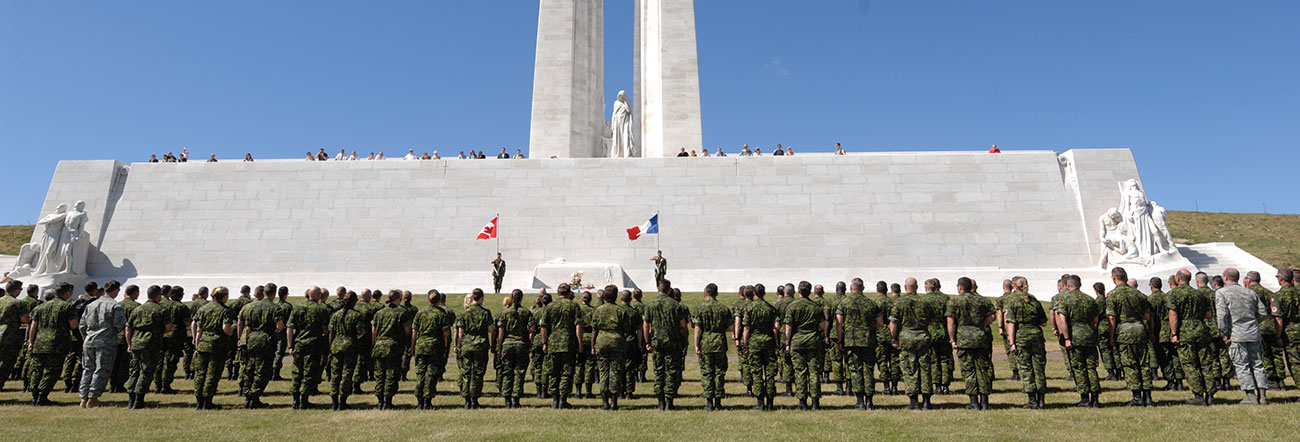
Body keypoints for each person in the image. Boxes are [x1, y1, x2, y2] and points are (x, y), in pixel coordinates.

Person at [1215, 268, 1271, 404]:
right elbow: (1263, 313)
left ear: (1226, 278)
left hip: (1236, 334)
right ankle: (1262, 395)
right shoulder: (1250, 292)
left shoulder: (1221, 293)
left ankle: (1250, 396)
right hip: (1253, 333)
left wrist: (1224, 333)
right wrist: (1252, 323)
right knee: (1258, 364)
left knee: (1242, 365)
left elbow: (1222, 316)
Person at [1107, 266, 1156, 406]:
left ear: (1114, 278)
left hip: (1124, 331)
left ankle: (1136, 397)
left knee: (1130, 364)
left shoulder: (1113, 295)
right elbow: (1147, 316)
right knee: (1143, 363)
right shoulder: (1138, 294)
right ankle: (1148, 396)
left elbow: (1111, 318)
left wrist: (1112, 337)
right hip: (1140, 330)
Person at [1166, 270, 1216, 405]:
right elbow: (1209, 315)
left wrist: (1174, 333)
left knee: (1189, 364)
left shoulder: (1174, 294)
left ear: (1177, 279)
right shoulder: (1199, 294)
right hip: (1201, 329)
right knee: (1205, 363)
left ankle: (1198, 395)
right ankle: (1210, 394)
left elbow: (1173, 314)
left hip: (1185, 331)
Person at [946, 277, 995, 410]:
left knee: (969, 371)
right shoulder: (983, 300)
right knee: (983, 370)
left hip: (964, 339)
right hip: (981, 337)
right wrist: (980, 324)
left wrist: (952, 340)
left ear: (960, 287)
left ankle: (973, 402)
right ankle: (984, 402)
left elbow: (950, 322)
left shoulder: (955, 301)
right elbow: (992, 317)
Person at [1055, 275, 1102, 408]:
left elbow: (1062, 320)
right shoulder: (1090, 300)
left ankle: (1084, 398)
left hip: (1075, 338)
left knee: (1079, 368)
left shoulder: (1065, 299)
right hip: (1089, 336)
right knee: (1091, 368)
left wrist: (1067, 338)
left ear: (1068, 286)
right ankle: (1095, 398)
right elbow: (1095, 320)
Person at [77, 280, 126, 408]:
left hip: (89, 340)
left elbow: (82, 325)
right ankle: (93, 398)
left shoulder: (90, 305)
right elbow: (119, 324)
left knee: (87, 369)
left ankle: (83, 397)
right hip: (106, 342)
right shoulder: (116, 306)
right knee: (101, 369)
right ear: (116, 290)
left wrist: (85, 338)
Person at [643, 278, 689, 410]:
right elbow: (683, 325)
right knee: (671, 371)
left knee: (659, 371)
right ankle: (669, 401)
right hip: (672, 341)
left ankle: (660, 401)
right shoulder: (676, 305)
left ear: (658, 289)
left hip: (657, 341)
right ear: (669, 290)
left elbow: (646, 325)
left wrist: (647, 341)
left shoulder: (651, 305)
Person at [837, 279, 883, 410]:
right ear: (863, 288)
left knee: (855, 370)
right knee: (868, 369)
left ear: (851, 288)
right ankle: (869, 401)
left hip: (851, 340)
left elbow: (839, 323)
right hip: (868, 340)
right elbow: (880, 323)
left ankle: (859, 401)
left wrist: (840, 340)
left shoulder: (844, 303)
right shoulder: (871, 303)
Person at [890, 278, 934, 410]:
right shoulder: (924, 302)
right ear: (917, 287)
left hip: (907, 337)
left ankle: (913, 400)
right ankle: (926, 401)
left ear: (905, 287)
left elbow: (893, 323)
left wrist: (893, 338)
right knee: (925, 368)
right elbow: (931, 322)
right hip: (922, 337)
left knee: (910, 369)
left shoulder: (899, 303)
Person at [783, 281, 827, 410]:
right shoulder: (816, 307)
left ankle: (802, 402)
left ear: (799, 291)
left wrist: (787, 343)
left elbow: (788, 327)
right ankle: (815, 402)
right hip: (813, 341)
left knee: (800, 372)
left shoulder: (792, 306)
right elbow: (823, 326)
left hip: (797, 342)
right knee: (814, 372)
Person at [538, 284, 583, 408]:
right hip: (568, 343)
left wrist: (544, 342)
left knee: (554, 372)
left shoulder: (549, 307)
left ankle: (555, 399)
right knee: (567, 372)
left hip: (553, 343)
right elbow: (578, 325)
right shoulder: (574, 305)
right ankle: (563, 399)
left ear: (558, 293)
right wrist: (580, 342)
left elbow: (544, 327)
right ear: (569, 293)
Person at [125, 285, 170, 409]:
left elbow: (128, 328)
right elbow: (168, 328)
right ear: (158, 295)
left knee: (134, 371)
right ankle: (139, 400)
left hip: (136, 343)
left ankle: (131, 399)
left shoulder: (137, 309)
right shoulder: (161, 309)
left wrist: (129, 344)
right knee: (146, 371)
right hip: (151, 344)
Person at [191, 286, 234, 410]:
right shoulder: (225, 310)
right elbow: (226, 328)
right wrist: (232, 334)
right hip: (217, 345)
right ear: (224, 296)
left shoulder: (203, 309)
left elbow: (199, 330)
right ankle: (207, 402)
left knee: (200, 373)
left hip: (203, 344)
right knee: (212, 374)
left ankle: (199, 402)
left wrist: (196, 346)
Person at [288, 287, 329, 409]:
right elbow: (326, 330)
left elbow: (289, 328)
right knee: (309, 372)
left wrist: (290, 345)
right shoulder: (322, 309)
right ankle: (304, 401)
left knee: (297, 372)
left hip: (299, 344)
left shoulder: (298, 308)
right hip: (313, 344)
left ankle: (295, 400)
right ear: (316, 295)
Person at [589, 285, 629, 410]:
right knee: (615, 371)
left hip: (601, 341)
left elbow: (594, 330)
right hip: (617, 342)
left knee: (603, 371)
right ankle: (614, 402)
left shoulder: (598, 310)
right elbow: (627, 329)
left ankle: (605, 402)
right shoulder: (620, 310)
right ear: (616, 296)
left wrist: (593, 345)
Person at [410, 289, 451, 409]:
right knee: (431, 374)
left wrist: (412, 347)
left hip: (421, 346)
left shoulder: (420, 313)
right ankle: (427, 401)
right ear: (439, 300)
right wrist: (444, 347)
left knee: (420, 373)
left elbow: (414, 332)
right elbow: (446, 333)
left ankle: (419, 400)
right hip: (435, 346)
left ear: (428, 300)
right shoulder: (441, 313)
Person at [692, 283, 731, 411]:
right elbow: (730, 327)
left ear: (705, 294)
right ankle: (718, 402)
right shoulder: (723, 309)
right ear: (717, 294)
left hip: (706, 343)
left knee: (707, 372)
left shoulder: (699, 309)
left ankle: (709, 402)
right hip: (719, 342)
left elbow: (697, 328)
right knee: (719, 372)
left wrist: (696, 344)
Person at [453, 289, 492, 409]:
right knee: (477, 373)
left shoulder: (463, 314)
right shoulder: (486, 312)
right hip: (480, 346)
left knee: (466, 373)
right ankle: (474, 400)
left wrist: (457, 346)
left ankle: (467, 400)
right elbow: (491, 330)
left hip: (466, 345)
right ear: (482, 298)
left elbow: (459, 333)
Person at [1244, 271, 1283, 388]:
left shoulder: (1249, 293)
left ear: (1249, 280)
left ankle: (1271, 379)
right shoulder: (1269, 293)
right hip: (1271, 326)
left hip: (1259, 326)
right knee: (1276, 354)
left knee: (1264, 354)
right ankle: (1281, 379)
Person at [371, 290, 409, 409]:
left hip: (379, 346)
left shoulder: (379, 313)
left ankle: (379, 401)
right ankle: (388, 402)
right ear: (398, 299)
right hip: (393, 347)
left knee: (380, 375)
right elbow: (407, 330)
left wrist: (374, 344)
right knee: (391, 374)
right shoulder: (402, 312)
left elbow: (373, 331)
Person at [494, 289, 532, 409]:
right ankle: (516, 400)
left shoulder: (504, 313)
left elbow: (500, 332)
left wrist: (499, 347)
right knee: (519, 373)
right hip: (521, 344)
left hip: (507, 345)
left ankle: (507, 400)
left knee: (507, 372)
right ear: (521, 298)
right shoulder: (526, 312)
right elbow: (531, 329)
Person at [1148, 277, 1184, 391]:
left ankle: (1170, 382)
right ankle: (1179, 382)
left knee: (1164, 358)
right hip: (1171, 329)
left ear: (1151, 286)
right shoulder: (1168, 296)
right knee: (1175, 357)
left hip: (1160, 331)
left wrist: (1151, 332)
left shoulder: (1150, 299)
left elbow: (1151, 318)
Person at [156, 286, 190, 395]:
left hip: (162, 335)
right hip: (175, 336)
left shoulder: (162, 304)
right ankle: (166, 385)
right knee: (170, 361)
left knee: (160, 361)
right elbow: (187, 322)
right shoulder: (181, 307)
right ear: (181, 295)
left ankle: (158, 385)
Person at [922, 279, 953, 394]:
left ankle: (937, 385)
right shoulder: (946, 299)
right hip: (944, 332)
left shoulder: (924, 300)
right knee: (945, 359)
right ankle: (945, 385)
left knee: (934, 359)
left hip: (930, 332)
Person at [1272, 269, 1300, 396]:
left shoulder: (1278, 296)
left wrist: (1278, 336)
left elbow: (1278, 318)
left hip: (1290, 333)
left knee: (1295, 363)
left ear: (1281, 279)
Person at [0, 281, 32, 392]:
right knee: (6, 363)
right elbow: (25, 320)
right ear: (16, 290)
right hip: (9, 335)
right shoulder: (18, 304)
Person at [731, 285, 754, 397]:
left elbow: (737, 323)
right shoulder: (758, 305)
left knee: (745, 362)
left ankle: (749, 388)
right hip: (757, 339)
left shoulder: (740, 306)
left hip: (744, 337)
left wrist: (736, 337)